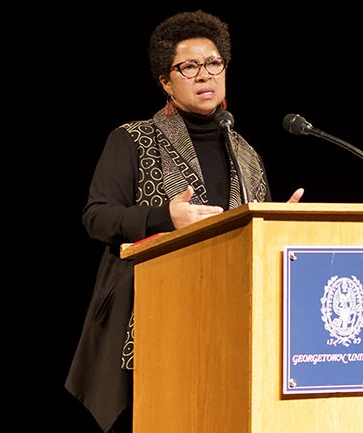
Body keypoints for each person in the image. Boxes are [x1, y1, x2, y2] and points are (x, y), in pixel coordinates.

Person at [65, 10, 303, 433]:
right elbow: (96, 216)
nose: (204, 74)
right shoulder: (133, 139)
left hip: (231, 325)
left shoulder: (247, 155)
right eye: (189, 66)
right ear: (165, 81)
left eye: (213, 63)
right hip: (154, 320)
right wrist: (164, 217)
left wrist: (279, 226)